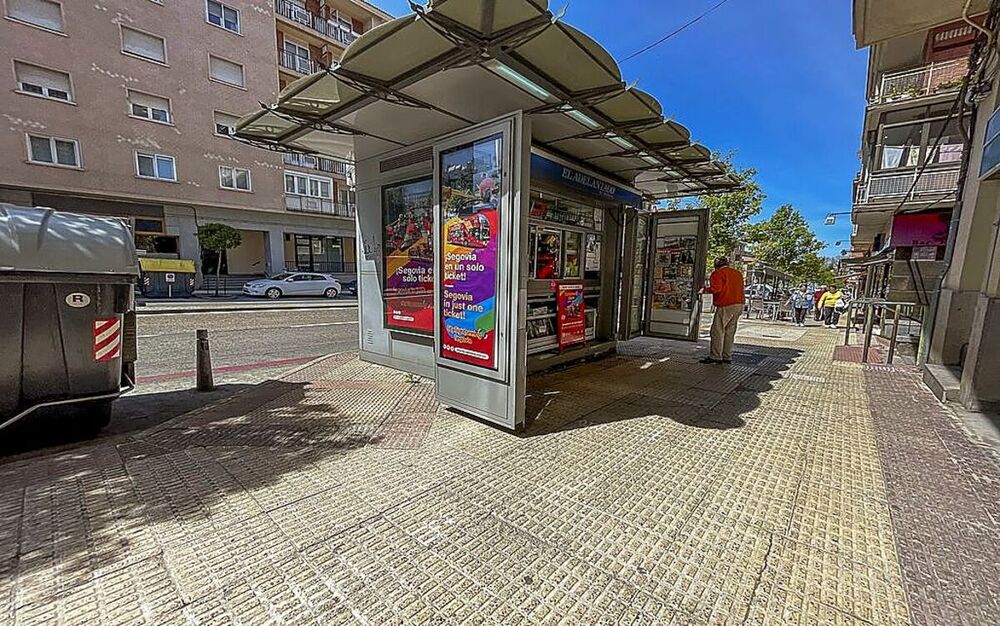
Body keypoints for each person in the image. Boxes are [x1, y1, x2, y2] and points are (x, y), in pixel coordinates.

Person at [700, 257, 745, 364]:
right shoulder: (737, 273)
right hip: (739, 304)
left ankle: (716, 356)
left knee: (717, 330)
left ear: (716, 266)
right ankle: (727, 355)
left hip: (726, 304)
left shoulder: (718, 273)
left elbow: (716, 289)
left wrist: (705, 289)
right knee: (730, 331)